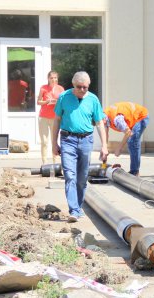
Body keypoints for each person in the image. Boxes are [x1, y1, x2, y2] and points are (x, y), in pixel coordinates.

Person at [52, 71, 108, 223]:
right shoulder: (64, 97)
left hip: (86, 140)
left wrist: (104, 145)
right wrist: (54, 143)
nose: (83, 90)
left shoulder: (93, 99)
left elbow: (99, 123)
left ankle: (78, 206)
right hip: (67, 139)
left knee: (82, 178)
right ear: (73, 85)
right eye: (79, 87)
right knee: (70, 175)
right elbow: (56, 120)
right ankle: (74, 210)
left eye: (85, 87)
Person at [103, 102, 149, 176]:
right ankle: (135, 171)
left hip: (141, 117)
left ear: (104, 120)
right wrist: (104, 148)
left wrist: (119, 148)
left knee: (132, 142)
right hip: (132, 118)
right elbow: (105, 134)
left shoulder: (117, 120)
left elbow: (128, 133)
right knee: (133, 141)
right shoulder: (104, 116)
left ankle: (135, 172)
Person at [37, 70, 64, 165]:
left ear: (57, 78)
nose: (53, 79)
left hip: (55, 118)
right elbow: (38, 102)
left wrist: (56, 102)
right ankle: (44, 163)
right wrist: (46, 102)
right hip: (43, 117)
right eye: (51, 78)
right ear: (48, 79)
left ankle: (55, 162)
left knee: (54, 140)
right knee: (44, 141)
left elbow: (63, 102)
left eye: (55, 78)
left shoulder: (60, 89)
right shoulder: (43, 88)